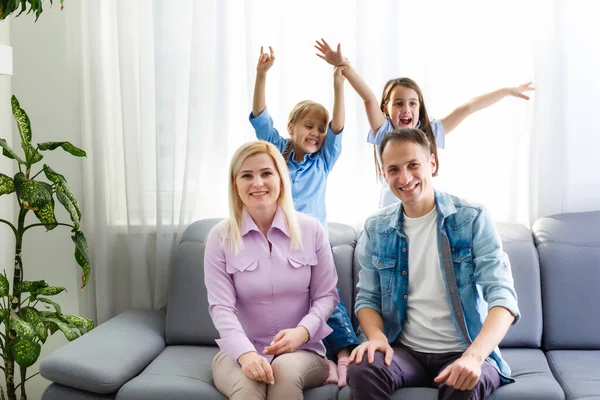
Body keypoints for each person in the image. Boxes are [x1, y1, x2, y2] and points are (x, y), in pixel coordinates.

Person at [345, 128, 520, 400]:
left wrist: (474, 357)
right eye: (393, 170)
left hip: (463, 349)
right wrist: (377, 338)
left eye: (413, 165)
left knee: (465, 383)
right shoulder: (376, 227)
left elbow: (503, 297)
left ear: (432, 164)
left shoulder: (471, 218)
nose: (404, 178)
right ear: (383, 174)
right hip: (405, 352)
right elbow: (367, 299)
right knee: (362, 369)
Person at [249, 46, 359, 387]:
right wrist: (262, 75)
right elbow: (260, 116)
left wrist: (338, 83)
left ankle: (342, 358)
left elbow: (338, 126)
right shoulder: (276, 152)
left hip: (313, 248)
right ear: (291, 127)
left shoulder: (322, 161)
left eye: (320, 128)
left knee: (328, 301)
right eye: (309, 126)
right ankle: (299, 354)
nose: (316, 132)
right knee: (287, 303)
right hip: (278, 246)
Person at [315, 38, 534, 208]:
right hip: (391, 213)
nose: (406, 109)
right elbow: (368, 97)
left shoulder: (429, 132)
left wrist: (505, 92)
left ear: (420, 108)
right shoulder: (385, 134)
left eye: (412, 103)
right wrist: (344, 66)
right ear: (386, 110)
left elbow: (467, 108)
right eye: (398, 104)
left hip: (423, 211)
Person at [205, 140, 339, 399]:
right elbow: (221, 307)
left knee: (284, 372)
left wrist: (301, 333)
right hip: (239, 351)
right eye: (247, 175)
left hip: (303, 351)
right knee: (246, 386)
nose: (258, 183)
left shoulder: (311, 230)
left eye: (266, 173)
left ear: (281, 178)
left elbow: (326, 296)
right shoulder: (219, 237)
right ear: (235, 184)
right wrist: (245, 355)